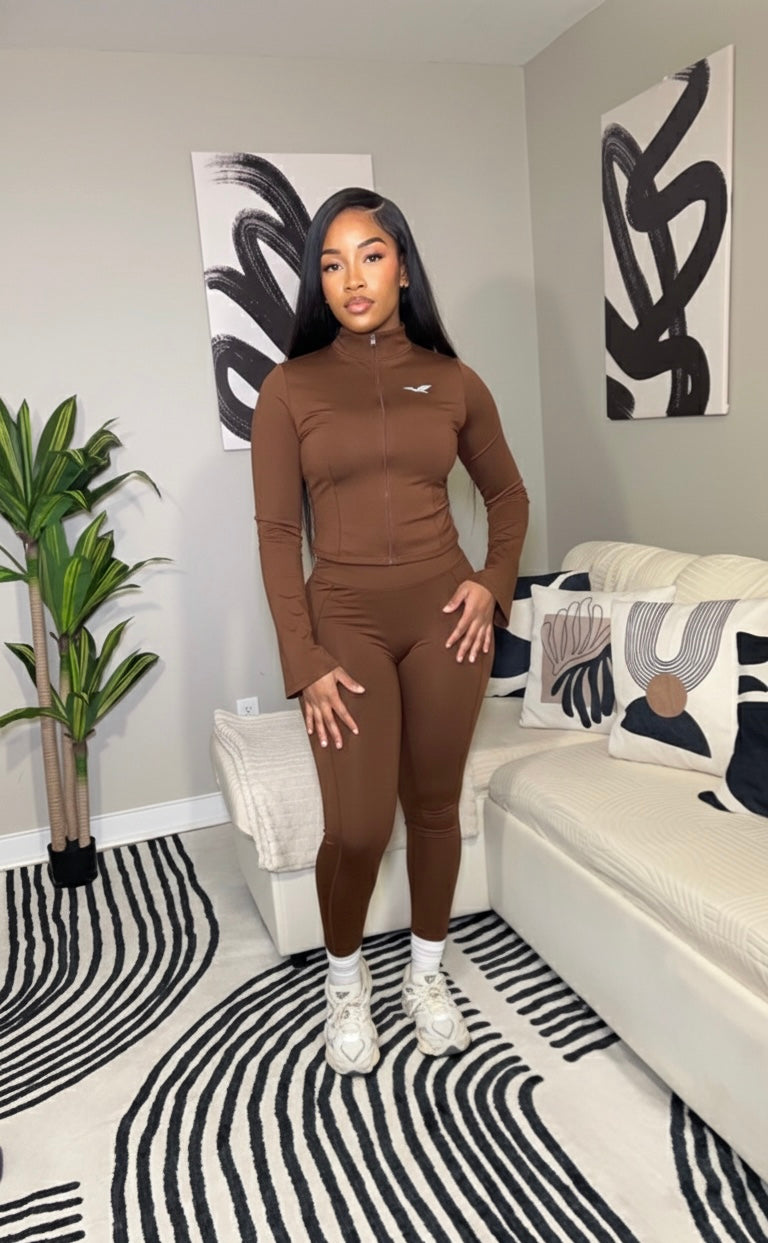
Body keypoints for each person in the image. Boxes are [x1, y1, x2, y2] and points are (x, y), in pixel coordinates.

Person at [251, 187, 528, 1075]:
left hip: (447, 620)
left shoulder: (454, 380)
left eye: (370, 255)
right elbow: (277, 534)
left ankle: (425, 974)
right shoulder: (288, 389)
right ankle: (345, 981)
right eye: (332, 264)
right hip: (346, 618)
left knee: (437, 807)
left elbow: (508, 497)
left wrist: (492, 584)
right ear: (318, 282)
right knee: (360, 826)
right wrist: (304, 659)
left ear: (402, 267)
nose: (353, 278)